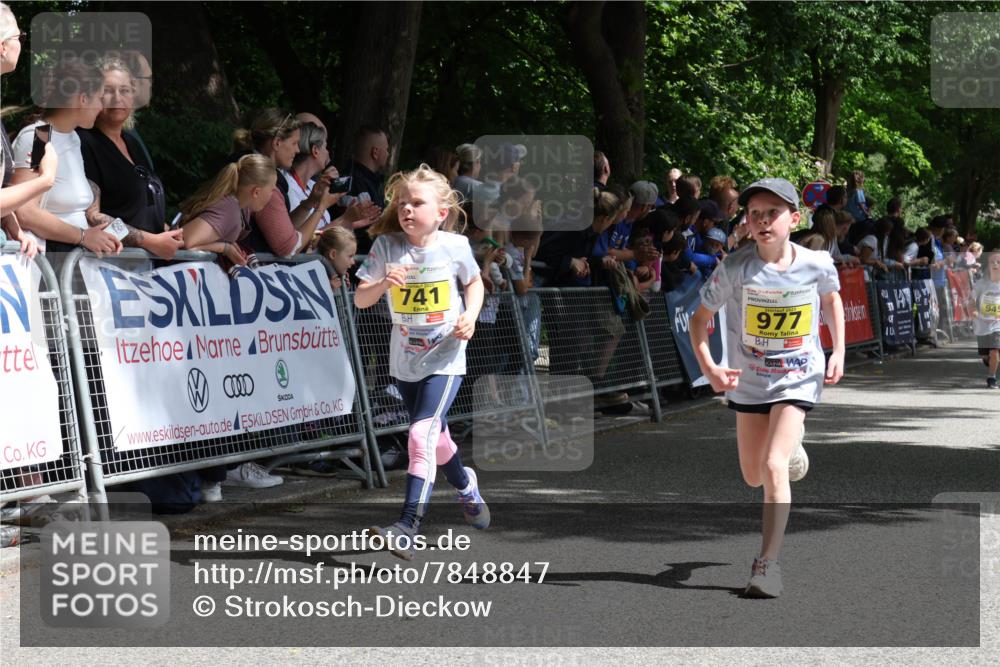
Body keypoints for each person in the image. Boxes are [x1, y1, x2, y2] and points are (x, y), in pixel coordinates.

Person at [690, 177, 845, 598]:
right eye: (754, 214)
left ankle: (767, 565)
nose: (761, 221)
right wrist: (712, 368)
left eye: (772, 213)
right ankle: (791, 447)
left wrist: (838, 351)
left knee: (774, 467)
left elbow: (832, 300)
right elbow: (698, 321)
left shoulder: (816, 263)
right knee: (753, 474)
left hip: (798, 375)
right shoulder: (735, 267)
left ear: (794, 219)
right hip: (750, 382)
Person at [355, 164, 488, 559]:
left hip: (446, 356)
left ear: (441, 213)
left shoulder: (455, 247)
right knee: (436, 437)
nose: (407, 210)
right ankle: (466, 486)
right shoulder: (387, 247)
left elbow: (475, 282)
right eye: (401, 204)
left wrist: (471, 316)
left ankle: (407, 526)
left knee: (419, 434)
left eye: (417, 203)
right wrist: (383, 284)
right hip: (406, 359)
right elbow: (361, 298)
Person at [9, 59, 122, 263]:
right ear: (83, 99)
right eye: (98, 98)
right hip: (45, 265)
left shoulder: (74, 137)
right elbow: (24, 212)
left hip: (71, 263)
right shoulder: (39, 137)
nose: (101, 107)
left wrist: (96, 235)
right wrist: (83, 236)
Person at [78, 57, 184, 259]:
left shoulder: (132, 142)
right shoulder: (85, 142)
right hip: (112, 263)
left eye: (124, 90)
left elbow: (137, 210)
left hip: (147, 265)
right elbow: (92, 216)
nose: (117, 98)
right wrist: (150, 241)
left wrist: (165, 232)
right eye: (108, 91)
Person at [232, 109, 340, 257]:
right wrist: (321, 207)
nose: (297, 149)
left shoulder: (246, 166)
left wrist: (309, 203)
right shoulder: (263, 180)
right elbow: (288, 247)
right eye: (294, 143)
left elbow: (282, 228)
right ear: (277, 143)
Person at [1, 2, 52, 256]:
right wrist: (83, 236)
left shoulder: (79, 139)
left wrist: (14, 229)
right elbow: (27, 208)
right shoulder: (41, 134)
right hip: (56, 256)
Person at [178, 154, 277, 272]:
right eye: (272, 190)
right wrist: (225, 248)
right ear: (256, 192)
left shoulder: (239, 208)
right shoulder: (229, 210)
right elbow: (185, 243)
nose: (272, 195)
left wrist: (227, 243)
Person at [284, 121, 378, 243]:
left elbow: (320, 233)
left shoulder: (314, 186)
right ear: (315, 150)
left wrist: (350, 222)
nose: (328, 153)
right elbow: (298, 243)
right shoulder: (287, 186)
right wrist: (344, 219)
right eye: (325, 147)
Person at [342, 125, 390, 255]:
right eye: (386, 149)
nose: (388, 154)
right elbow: (365, 229)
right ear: (375, 152)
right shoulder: (354, 183)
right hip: (356, 259)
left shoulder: (370, 181)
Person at [974, 252, 1000, 388]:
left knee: (995, 351)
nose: (996, 265)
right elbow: (971, 299)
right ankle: (989, 361)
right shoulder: (981, 283)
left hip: (998, 324)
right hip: (983, 324)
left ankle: (991, 378)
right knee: (985, 356)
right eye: (993, 262)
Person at [316, 225, 357, 291]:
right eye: (350, 256)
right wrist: (328, 290)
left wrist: (344, 289)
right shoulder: (313, 275)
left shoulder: (338, 276)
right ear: (333, 254)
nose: (353, 262)